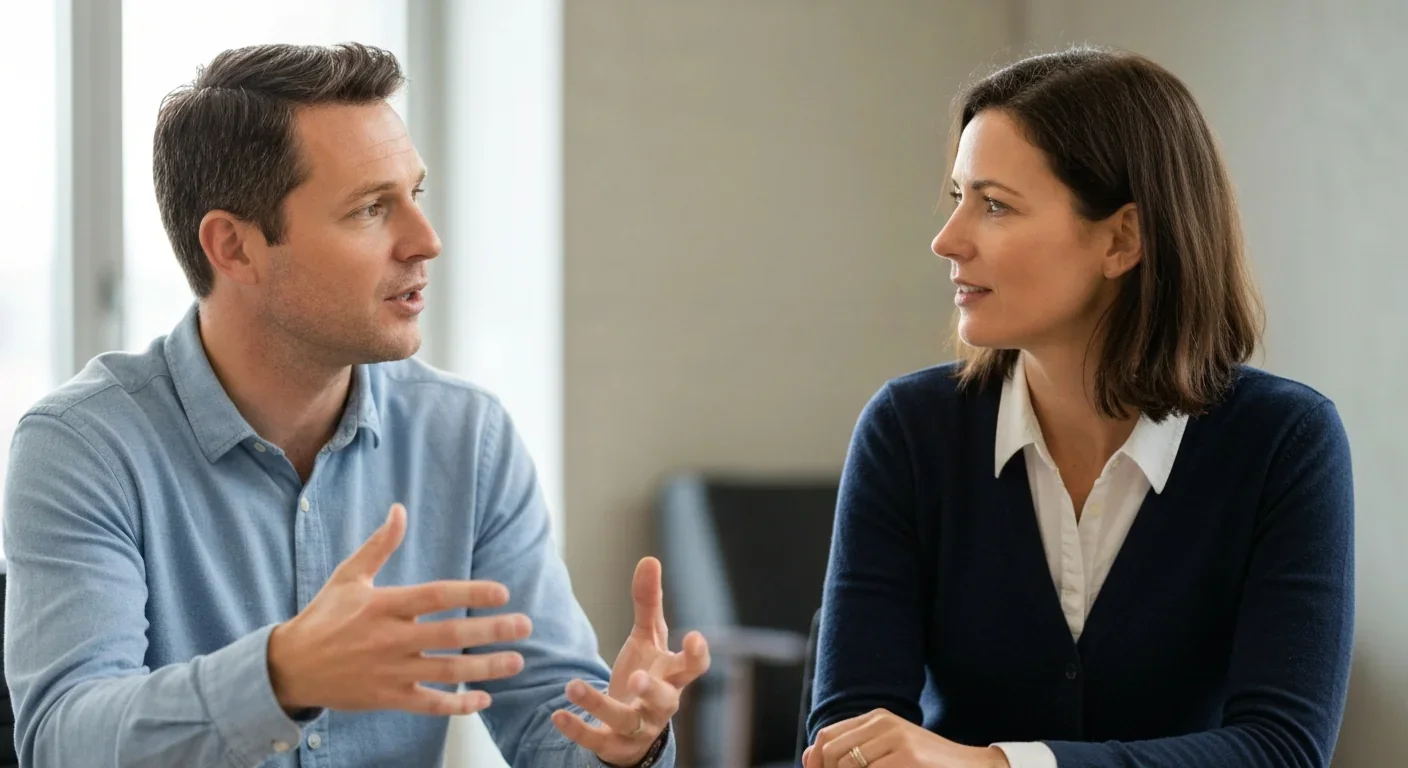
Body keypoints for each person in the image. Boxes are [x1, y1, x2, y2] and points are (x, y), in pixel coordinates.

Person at [3, 43, 709, 768]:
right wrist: (280, 674)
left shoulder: (466, 435)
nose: (426, 241)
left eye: (416, 195)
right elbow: (65, 739)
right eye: (371, 209)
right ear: (234, 247)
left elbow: (553, 725)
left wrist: (619, 744)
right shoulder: (84, 444)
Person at [803, 46, 1353, 768]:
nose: (948, 239)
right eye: (958, 197)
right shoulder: (908, 430)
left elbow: (1281, 750)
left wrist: (996, 765)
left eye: (994, 205)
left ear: (1123, 238)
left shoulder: (1285, 442)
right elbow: (849, 730)